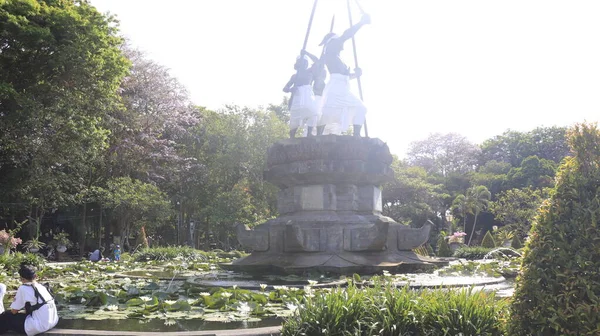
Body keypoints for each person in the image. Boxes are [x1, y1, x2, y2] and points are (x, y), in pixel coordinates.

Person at [317, 13, 371, 137]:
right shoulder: (330, 53)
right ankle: (318, 136)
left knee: (360, 108)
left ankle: (356, 136)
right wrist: (361, 23)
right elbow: (346, 35)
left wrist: (355, 75)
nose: (342, 44)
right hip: (336, 89)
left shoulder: (338, 58)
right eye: (338, 41)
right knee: (328, 112)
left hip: (343, 88)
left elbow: (344, 77)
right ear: (332, 43)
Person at [0, 264, 58, 335]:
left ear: (22, 278)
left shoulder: (24, 288)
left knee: (6, 316)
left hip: (39, 326)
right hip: (52, 322)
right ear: (35, 276)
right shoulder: (42, 287)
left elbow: (14, 311)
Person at [283, 53, 319, 138]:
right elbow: (285, 88)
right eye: (301, 62)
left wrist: (306, 53)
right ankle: (292, 136)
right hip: (297, 98)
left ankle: (309, 133)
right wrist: (290, 89)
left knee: (313, 113)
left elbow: (317, 61)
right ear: (298, 63)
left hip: (308, 97)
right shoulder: (294, 76)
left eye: (305, 62)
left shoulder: (310, 72)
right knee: (295, 118)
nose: (303, 64)